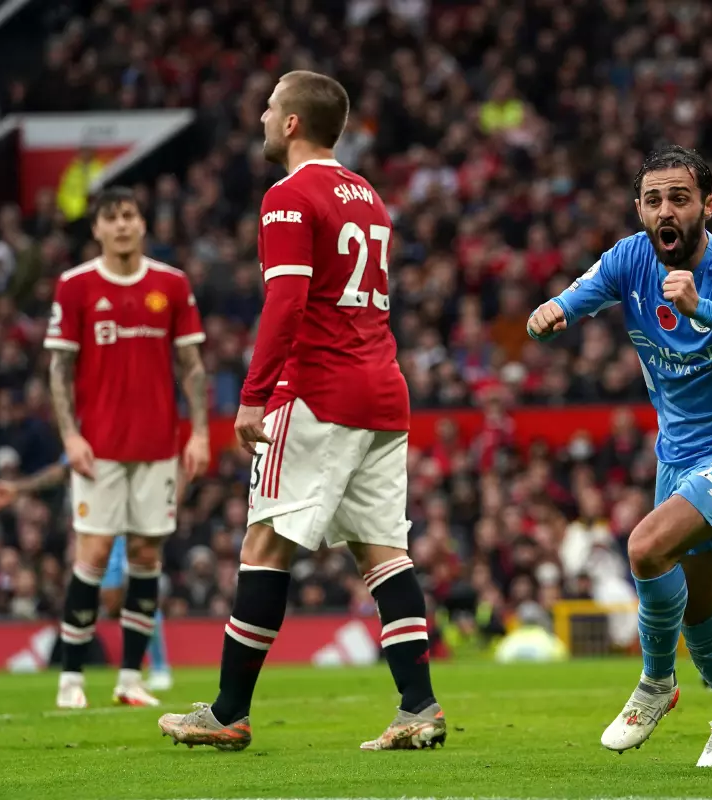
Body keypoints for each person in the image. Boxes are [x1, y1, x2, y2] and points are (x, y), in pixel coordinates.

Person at [158, 71, 445, 752]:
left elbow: (287, 303)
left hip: (320, 390)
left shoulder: (289, 195)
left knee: (264, 545)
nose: (260, 116)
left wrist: (253, 393)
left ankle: (228, 711)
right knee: (383, 555)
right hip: (383, 391)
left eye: (268, 107)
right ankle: (419, 708)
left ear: (291, 124)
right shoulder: (368, 196)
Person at [527, 145, 712, 768]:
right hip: (679, 453)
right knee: (698, 602)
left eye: (678, 198)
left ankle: (656, 683)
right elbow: (583, 291)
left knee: (644, 547)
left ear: (708, 205)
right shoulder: (630, 259)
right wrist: (555, 310)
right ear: (639, 210)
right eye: (653, 200)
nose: (665, 210)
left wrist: (704, 308)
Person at [43, 186, 208, 708]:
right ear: (96, 228)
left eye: (129, 216)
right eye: (110, 218)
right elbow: (59, 369)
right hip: (100, 449)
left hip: (158, 446)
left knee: (145, 555)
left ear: (143, 223)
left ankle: (130, 679)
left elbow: (192, 366)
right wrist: (70, 435)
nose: (121, 226)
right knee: (91, 555)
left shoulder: (172, 285)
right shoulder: (75, 287)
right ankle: (71, 678)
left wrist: (200, 433)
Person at [0, 456, 175, 690]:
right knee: (113, 603)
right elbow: (61, 470)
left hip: (130, 524)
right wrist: (20, 488)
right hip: (99, 527)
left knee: (139, 589)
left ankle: (157, 667)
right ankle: (122, 669)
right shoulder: (88, 437)